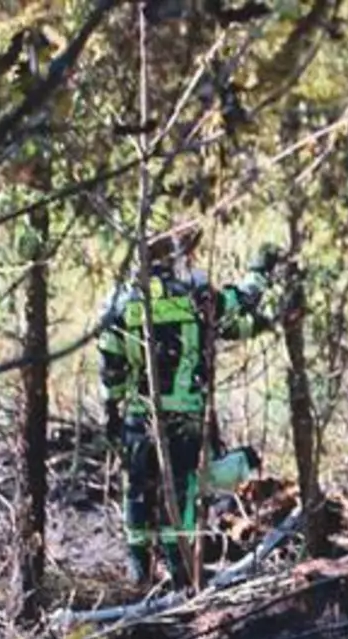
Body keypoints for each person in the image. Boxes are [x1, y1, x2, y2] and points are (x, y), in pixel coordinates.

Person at [97, 226, 300, 588]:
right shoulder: (195, 294)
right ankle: (181, 576)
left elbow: (111, 366)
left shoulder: (122, 302)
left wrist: (112, 414)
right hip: (185, 417)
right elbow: (240, 305)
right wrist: (262, 270)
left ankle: (138, 574)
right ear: (174, 258)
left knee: (138, 493)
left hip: (139, 417)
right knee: (182, 494)